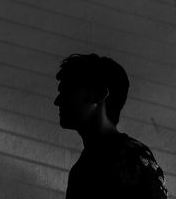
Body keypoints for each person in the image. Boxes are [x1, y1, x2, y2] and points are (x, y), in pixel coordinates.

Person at [54, 53, 168, 199]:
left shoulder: (131, 157)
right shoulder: (81, 170)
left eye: (67, 91)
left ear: (99, 94)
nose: (57, 101)